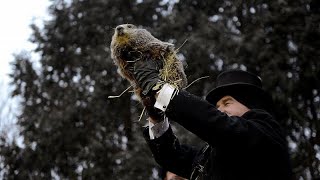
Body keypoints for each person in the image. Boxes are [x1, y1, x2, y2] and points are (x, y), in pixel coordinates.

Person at [133, 60, 292, 180]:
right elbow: (172, 157)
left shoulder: (265, 131)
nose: (220, 109)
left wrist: (163, 92)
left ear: (250, 105)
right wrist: (156, 116)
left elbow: (221, 126)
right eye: (216, 106)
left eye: (227, 102)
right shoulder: (210, 155)